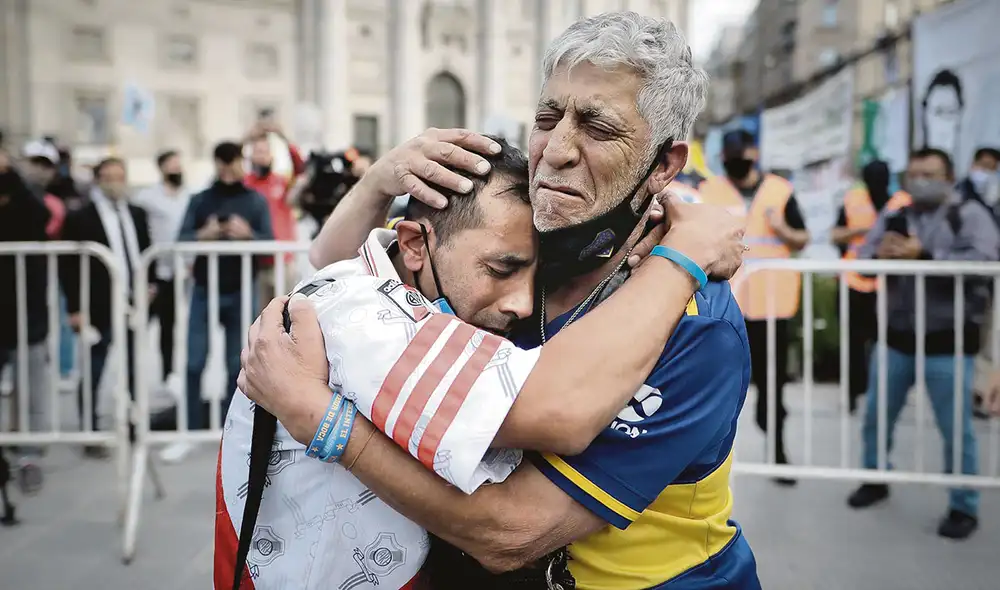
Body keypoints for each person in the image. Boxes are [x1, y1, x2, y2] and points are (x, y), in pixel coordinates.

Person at [245, 12, 759, 589]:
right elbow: (342, 268)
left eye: (598, 128)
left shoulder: (697, 324)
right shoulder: (524, 246)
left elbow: (511, 532)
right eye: (547, 117)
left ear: (664, 164)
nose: (556, 150)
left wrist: (319, 418)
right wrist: (380, 182)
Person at [848, 148, 1000, 540]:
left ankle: (963, 504)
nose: (920, 181)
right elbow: (863, 257)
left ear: (949, 177)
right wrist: (880, 255)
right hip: (895, 339)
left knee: (956, 429)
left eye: (930, 174)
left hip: (948, 343)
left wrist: (926, 255)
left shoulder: (968, 213)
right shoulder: (897, 215)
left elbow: (984, 261)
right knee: (877, 418)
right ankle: (875, 478)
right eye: (914, 173)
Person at [699, 129, 810, 484]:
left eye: (740, 153)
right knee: (717, 381)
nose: (735, 160)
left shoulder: (780, 191)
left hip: (772, 302)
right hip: (724, 305)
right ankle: (706, 463)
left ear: (754, 153)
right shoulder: (710, 191)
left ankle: (777, 451)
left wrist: (781, 229)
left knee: (773, 384)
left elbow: (802, 238)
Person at [160, 141, 273, 463]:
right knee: (194, 363)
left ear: (241, 162)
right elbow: (180, 239)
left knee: (234, 366)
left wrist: (248, 236)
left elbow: (270, 241)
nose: (227, 168)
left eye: (232, 161)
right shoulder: (200, 199)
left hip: (241, 289)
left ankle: (230, 433)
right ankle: (190, 431)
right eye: (221, 162)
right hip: (204, 289)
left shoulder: (255, 200)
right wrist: (202, 235)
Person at [59, 158, 153, 459]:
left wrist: (149, 287)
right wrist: (75, 308)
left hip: (132, 303)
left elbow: (145, 251)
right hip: (98, 306)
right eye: (109, 177)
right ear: (98, 180)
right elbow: (69, 268)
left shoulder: (136, 213)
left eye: (120, 176)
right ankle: (90, 430)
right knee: (95, 368)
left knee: (134, 369)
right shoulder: (80, 218)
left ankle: (135, 425)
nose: (115, 182)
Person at [830, 161, 911, 413]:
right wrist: (865, 230)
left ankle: (882, 393)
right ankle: (853, 393)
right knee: (854, 343)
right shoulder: (853, 199)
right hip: (853, 281)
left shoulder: (901, 202)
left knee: (885, 343)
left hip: (890, 285)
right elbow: (836, 235)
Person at [133, 150, 190, 389]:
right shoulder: (147, 197)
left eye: (179, 164)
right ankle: (131, 375)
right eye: (172, 165)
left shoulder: (188, 196)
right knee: (139, 324)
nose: (176, 169)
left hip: (180, 271)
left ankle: (168, 373)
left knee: (170, 326)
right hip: (154, 269)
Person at [243, 121, 305, 305]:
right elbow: (228, 162)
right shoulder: (246, 184)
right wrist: (247, 137)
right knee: (257, 316)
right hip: (255, 260)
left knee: (283, 313)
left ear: (271, 155)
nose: (260, 157)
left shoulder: (282, 182)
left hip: (283, 259)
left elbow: (301, 167)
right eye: (257, 152)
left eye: (264, 152)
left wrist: (283, 137)